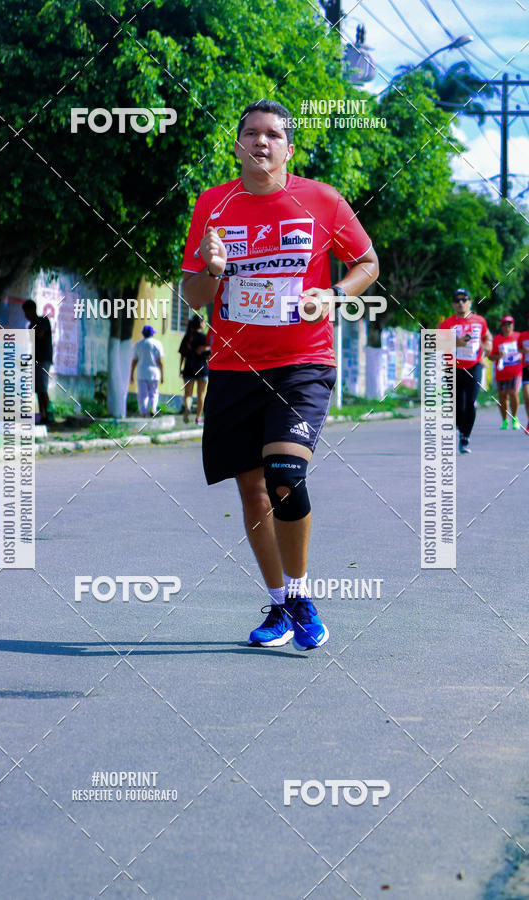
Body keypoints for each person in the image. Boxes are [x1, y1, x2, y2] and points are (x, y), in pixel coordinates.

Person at [181, 99, 379, 651]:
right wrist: (214, 271)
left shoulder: (321, 200)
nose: (261, 142)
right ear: (238, 144)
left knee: (286, 472)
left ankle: (299, 592)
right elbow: (192, 295)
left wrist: (335, 295)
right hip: (232, 368)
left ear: (289, 149)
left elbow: (369, 263)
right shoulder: (213, 204)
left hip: (303, 363)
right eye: (251, 133)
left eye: (273, 135)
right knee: (251, 493)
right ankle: (280, 604)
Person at [439, 288, 492, 454]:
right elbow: (437, 344)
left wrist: (489, 343)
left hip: (474, 365)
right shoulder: (447, 324)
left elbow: (487, 335)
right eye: (457, 300)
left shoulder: (480, 321)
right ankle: (459, 426)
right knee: (457, 404)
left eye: (464, 299)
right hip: (452, 366)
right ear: (453, 304)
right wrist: (456, 342)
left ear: (470, 302)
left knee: (471, 401)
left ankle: (465, 436)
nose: (461, 303)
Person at [22, 300, 53, 425]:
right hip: (36, 359)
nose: (26, 315)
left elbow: (40, 335)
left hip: (44, 358)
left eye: (27, 312)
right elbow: (32, 343)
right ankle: (43, 415)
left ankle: (49, 414)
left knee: (42, 388)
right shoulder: (30, 326)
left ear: (32, 310)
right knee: (38, 389)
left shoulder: (43, 320)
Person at [490, 316, 522, 430]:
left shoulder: (518, 337)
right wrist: (499, 356)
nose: (507, 326)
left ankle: (515, 418)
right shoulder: (497, 339)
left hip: (516, 371)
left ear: (513, 325)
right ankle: (505, 420)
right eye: (505, 324)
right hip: (501, 373)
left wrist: (521, 357)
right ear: (501, 326)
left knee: (513, 393)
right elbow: (491, 356)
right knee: (502, 397)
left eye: (509, 324)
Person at [179, 315, 210, 425]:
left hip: (188, 368)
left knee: (188, 394)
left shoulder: (188, 337)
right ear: (201, 323)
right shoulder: (204, 337)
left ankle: (187, 408)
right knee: (201, 394)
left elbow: (182, 355)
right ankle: (198, 418)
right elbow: (209, 355)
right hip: (202, 368)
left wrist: (180, 369)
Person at [130, 325, 164, 417]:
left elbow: (134, 361)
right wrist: (162, 375)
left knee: (142, 394)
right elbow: (160, 361)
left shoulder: (138, 344)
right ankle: (153, 408)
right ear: (152, 334)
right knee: (154, 392)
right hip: (154, 372)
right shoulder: (157, 344)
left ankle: (143, 412)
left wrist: (131, 375)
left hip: (141, 372)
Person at [517, 314, 529, 434]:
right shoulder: (523, 335)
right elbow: (518, 349)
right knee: (527, 396)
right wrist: (523, 351)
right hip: (527, 368)